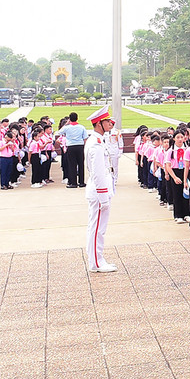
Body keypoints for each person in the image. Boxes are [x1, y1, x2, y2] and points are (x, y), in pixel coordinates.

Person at [83, 106, 119, 274]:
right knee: (97, 228)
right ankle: (96, 262)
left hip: (100, 190)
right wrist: (104, 197)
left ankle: (97, 259)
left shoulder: (97, 141)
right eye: (107, 121)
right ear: (99, 124)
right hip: (99, 192)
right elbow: (98, 173)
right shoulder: (96, 144)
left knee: (97, 227)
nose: (110, 124)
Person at [61, 112, 88, 188]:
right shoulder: (81, 127)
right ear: (77, 118)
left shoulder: (67, 127)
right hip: (80, 146)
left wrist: (66, 124)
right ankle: (81, 182)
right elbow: (85, 138)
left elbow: (59, 132)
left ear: (70, 119)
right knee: (81, 164)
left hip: (71, 146)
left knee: (72, 165)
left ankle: (73, 183)